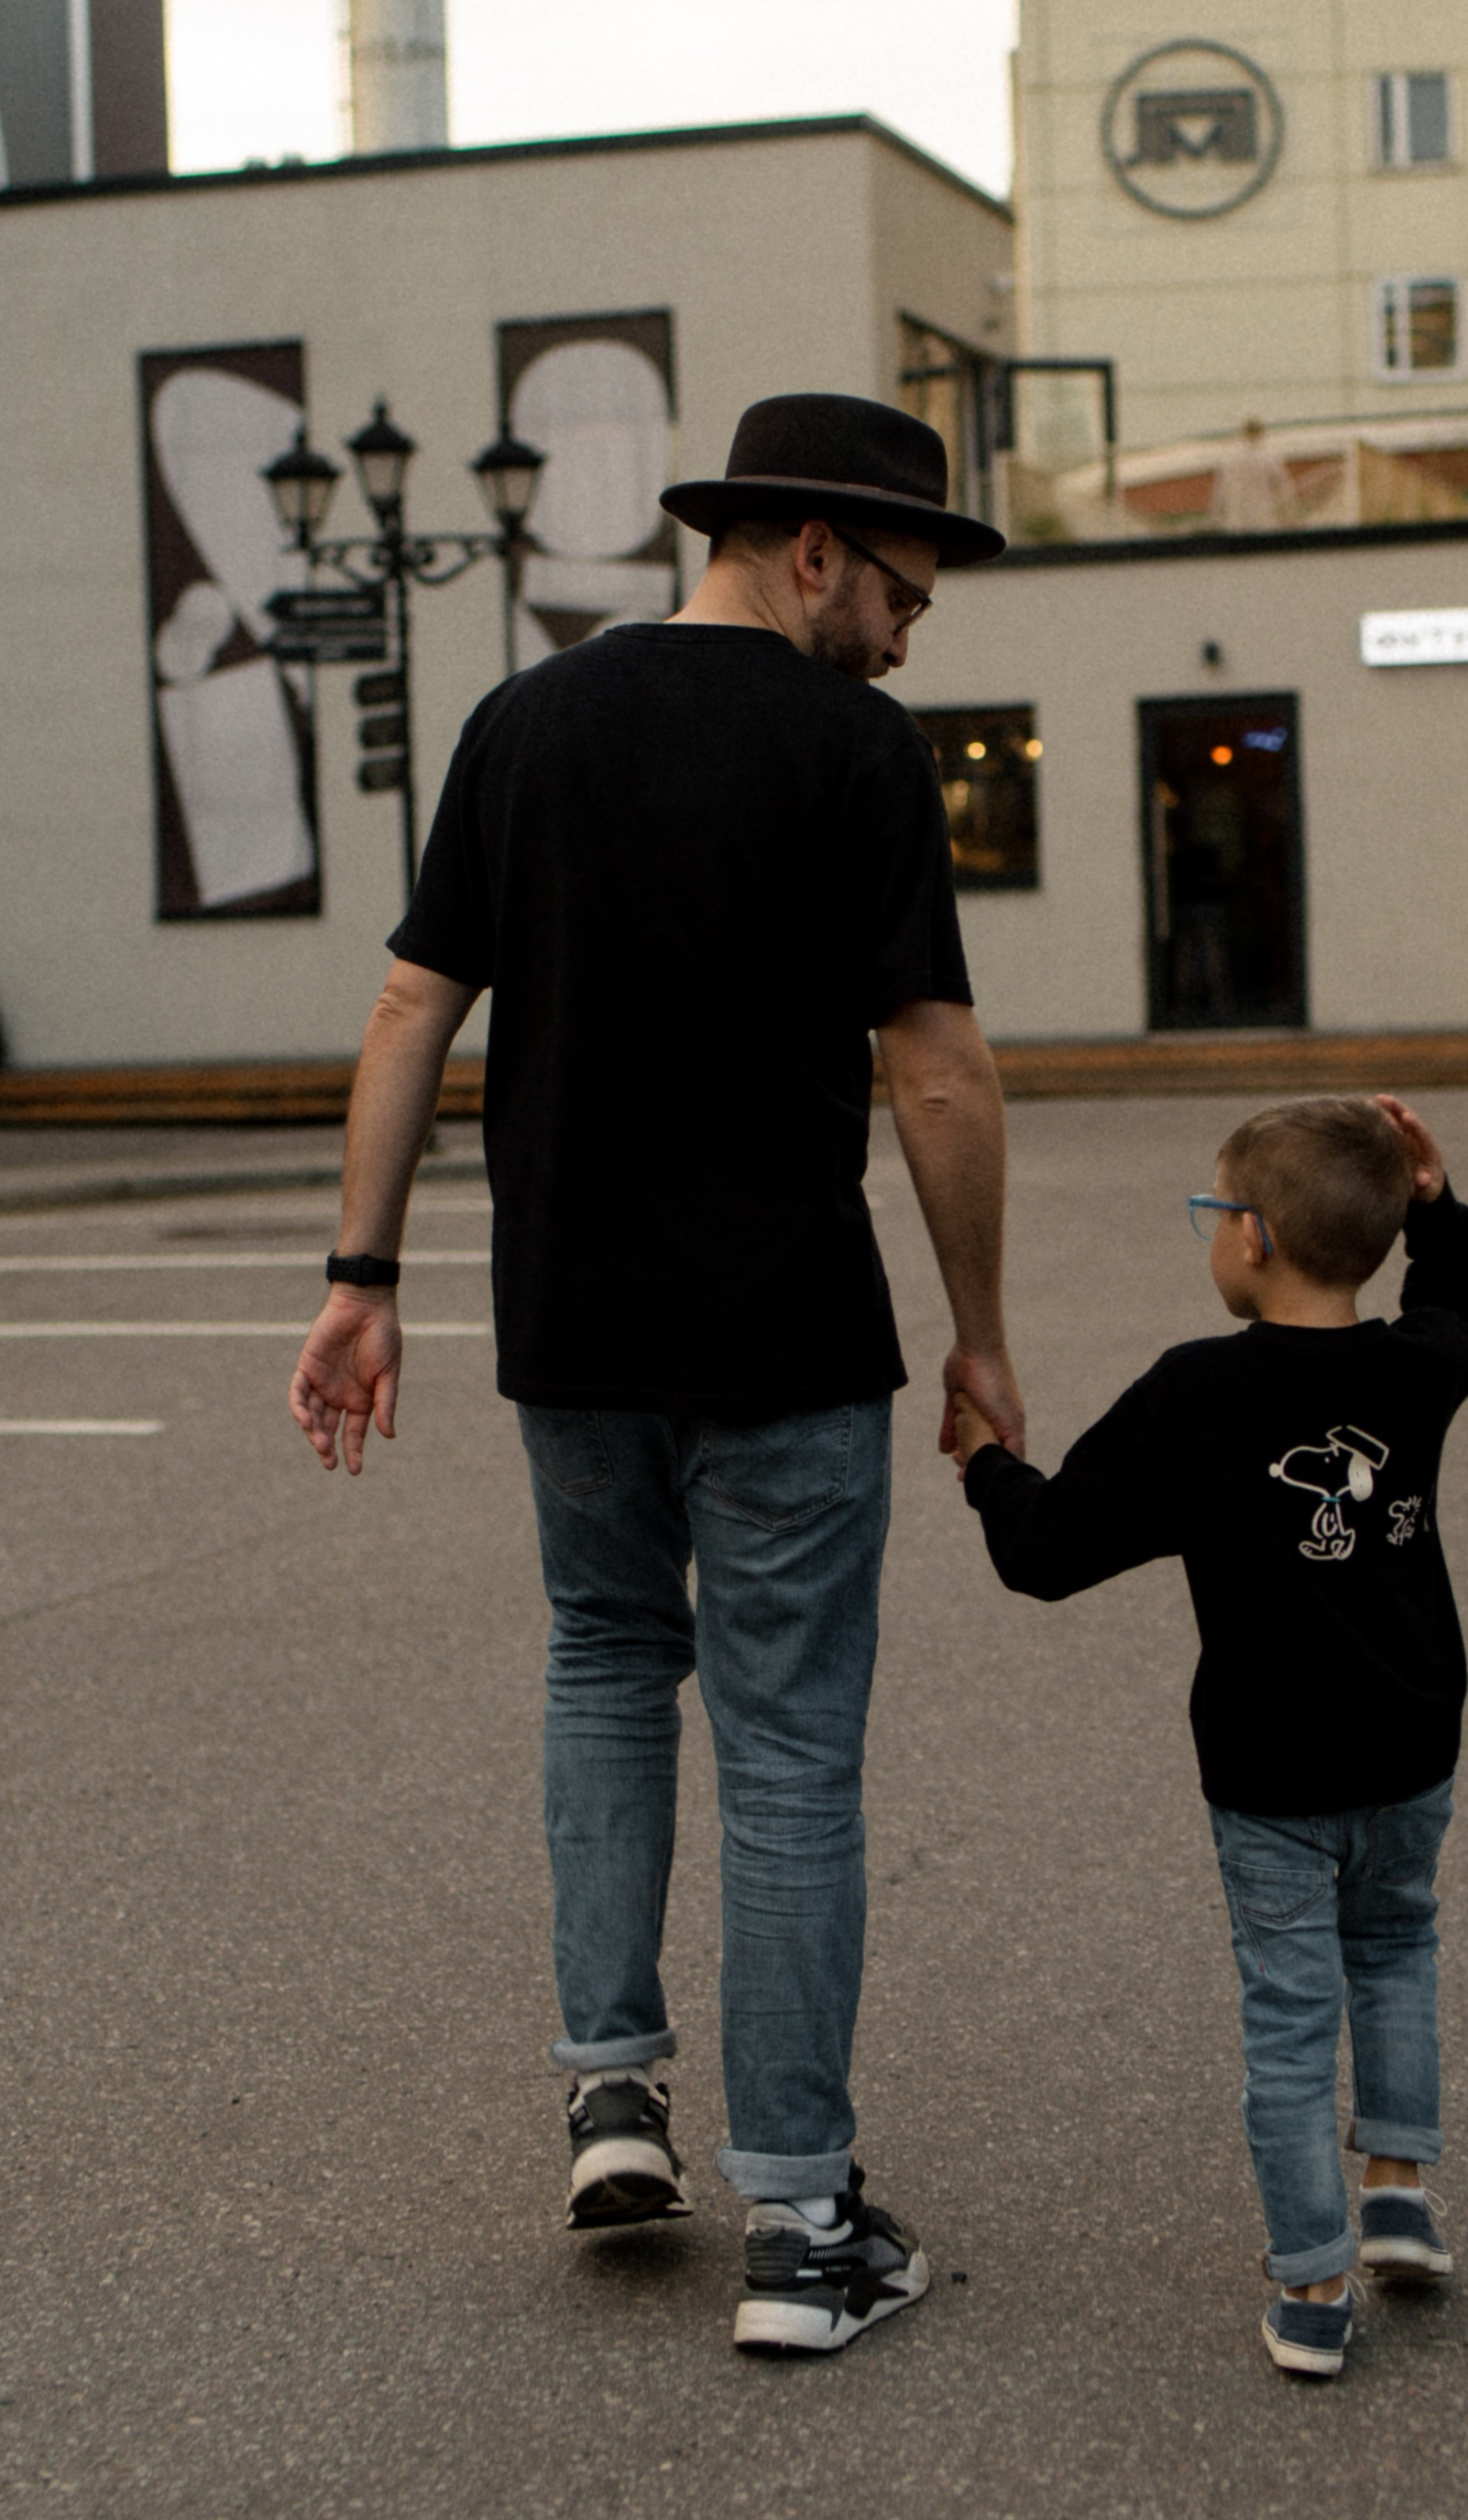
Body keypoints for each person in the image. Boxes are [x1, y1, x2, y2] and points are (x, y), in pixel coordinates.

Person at [288, 393, 1024, 2358]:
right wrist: (978, 1327)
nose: (904, 630)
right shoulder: (852, 750)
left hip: (575, 1330)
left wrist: (361, 1273)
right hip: (783, 1331)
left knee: (606, 1666)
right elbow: (935, 1067)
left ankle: (612, 2096)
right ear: (804, 547)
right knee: (785, 1748)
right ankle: (800, 2222)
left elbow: (406, 1005)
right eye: (897, 587)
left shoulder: (523, 724)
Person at [952, 1094, 1468, 2381]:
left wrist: (989, 1465)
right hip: (1413, 1737)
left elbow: (1047, 1553)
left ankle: (1314, 2282)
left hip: (1272, 1769)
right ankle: (1398, 2190)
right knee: (1398, 1944)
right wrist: (1438, 1204)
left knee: (1288, 2015)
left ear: (1252, 1238)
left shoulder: (1197, 1394)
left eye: (1213, 1213)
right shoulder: (1413, 1367)